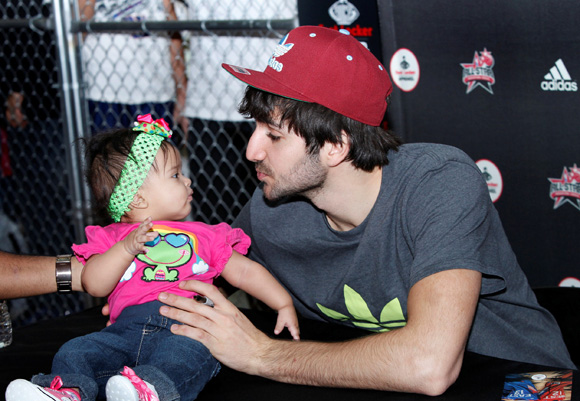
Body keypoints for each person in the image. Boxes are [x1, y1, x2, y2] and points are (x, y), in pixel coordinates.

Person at [155, 26, 576, 396]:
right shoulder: (270, 208)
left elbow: (428, 366)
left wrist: (262, 354)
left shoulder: (437, 181)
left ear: (337, 146)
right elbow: (187, 281)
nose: (251, 151)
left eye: (274, 136)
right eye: (254, 128)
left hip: (529, 381)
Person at [5, 114, 299, 401]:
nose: (187, 180)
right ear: (138, 199)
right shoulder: (112, 238)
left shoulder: (206, 235)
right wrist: (125, 249)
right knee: (76, 350)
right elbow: (93, 283)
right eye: (175, 174)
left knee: (192, 353)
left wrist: (282, 302)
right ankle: (66, 391)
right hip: (123, 331)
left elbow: (245, 272)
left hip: (186, 328)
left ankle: (148, 390)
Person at [78, 0, 187, 134]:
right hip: (104, 94)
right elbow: (76, 33)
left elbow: (174, 38)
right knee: (109, 153)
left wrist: (182, 90)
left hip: (154, 94)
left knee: (150, 154)